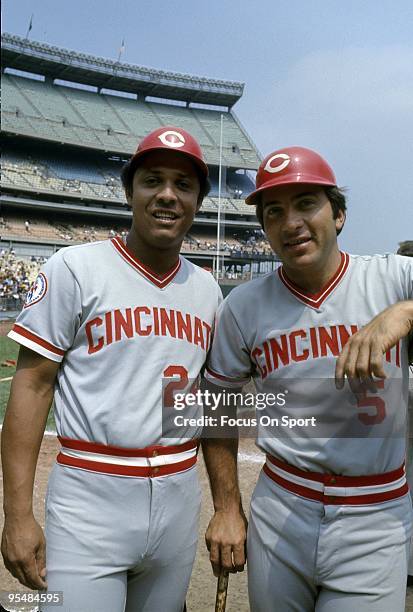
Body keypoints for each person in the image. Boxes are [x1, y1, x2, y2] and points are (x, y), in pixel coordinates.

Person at [1, 126, 222, 612]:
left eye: (184, 185)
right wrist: (17, 516)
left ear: (199, 202)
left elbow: (211, 398)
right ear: (128, 190)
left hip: (178, 496)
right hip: (89, 494)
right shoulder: (74, 267)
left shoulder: (208, 290)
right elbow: (33, 385)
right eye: (153, 181)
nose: (168, 195)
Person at [203, 146, 413, 610]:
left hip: (375, 512)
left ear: (338, 215)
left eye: (306, 204)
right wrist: (225, 507)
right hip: (282, 507)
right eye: (274, 212)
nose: (290, 222)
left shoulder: (394, 278)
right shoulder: (243, 306)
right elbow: (216, 406)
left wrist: (406, 310)